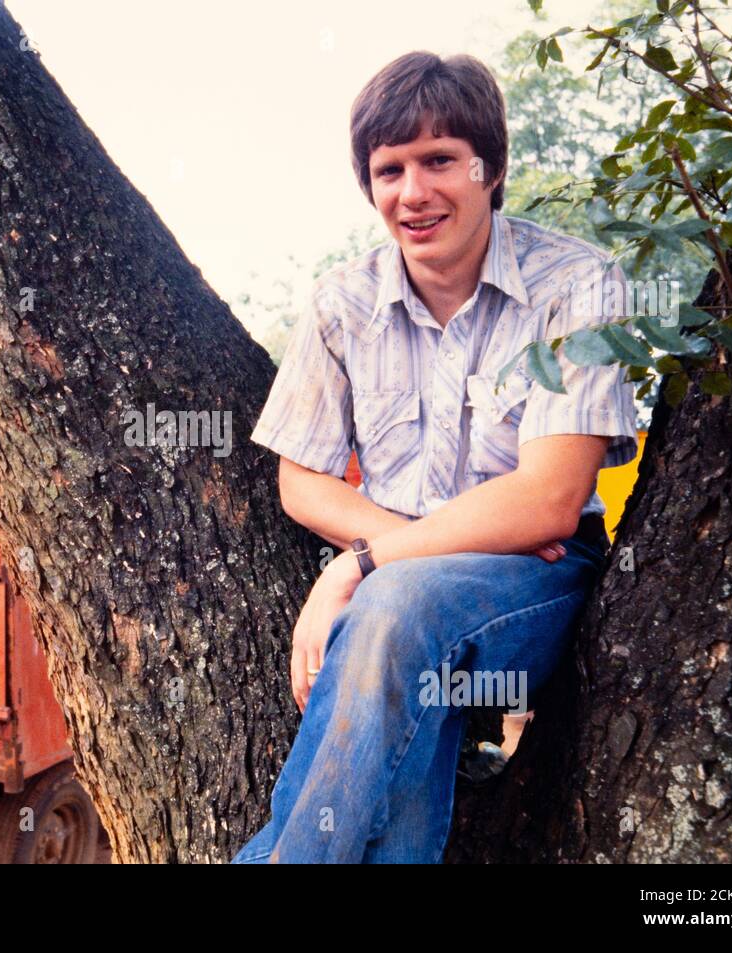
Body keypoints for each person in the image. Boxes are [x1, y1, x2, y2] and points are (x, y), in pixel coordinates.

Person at [231, 51, 639, 864]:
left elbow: (548, 503)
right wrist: (389, 549)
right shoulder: (341, 302)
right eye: (389, 170)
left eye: (439, 160)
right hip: (406, 597)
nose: (412, 193)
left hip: (533, 579)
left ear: (491, 168)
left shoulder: (579, 285)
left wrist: (359, 563)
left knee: (394, 606)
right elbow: (299, 478)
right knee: (407, 698)